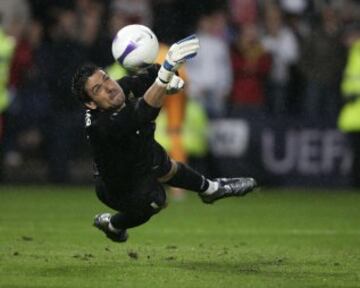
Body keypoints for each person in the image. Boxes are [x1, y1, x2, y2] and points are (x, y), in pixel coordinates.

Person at [71, 35, 257, 243]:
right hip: (118, 186)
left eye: (106, 78)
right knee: (156, 201)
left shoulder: (118, 88)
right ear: (92, 104)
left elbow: (151, 75)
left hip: (137, 156)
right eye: (97, 89)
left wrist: (168, 69)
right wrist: (166, 73)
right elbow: (142, 113)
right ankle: (113, 225)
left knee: (163, 163)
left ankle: (211, 189)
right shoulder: (100, 126)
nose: (108, 86)